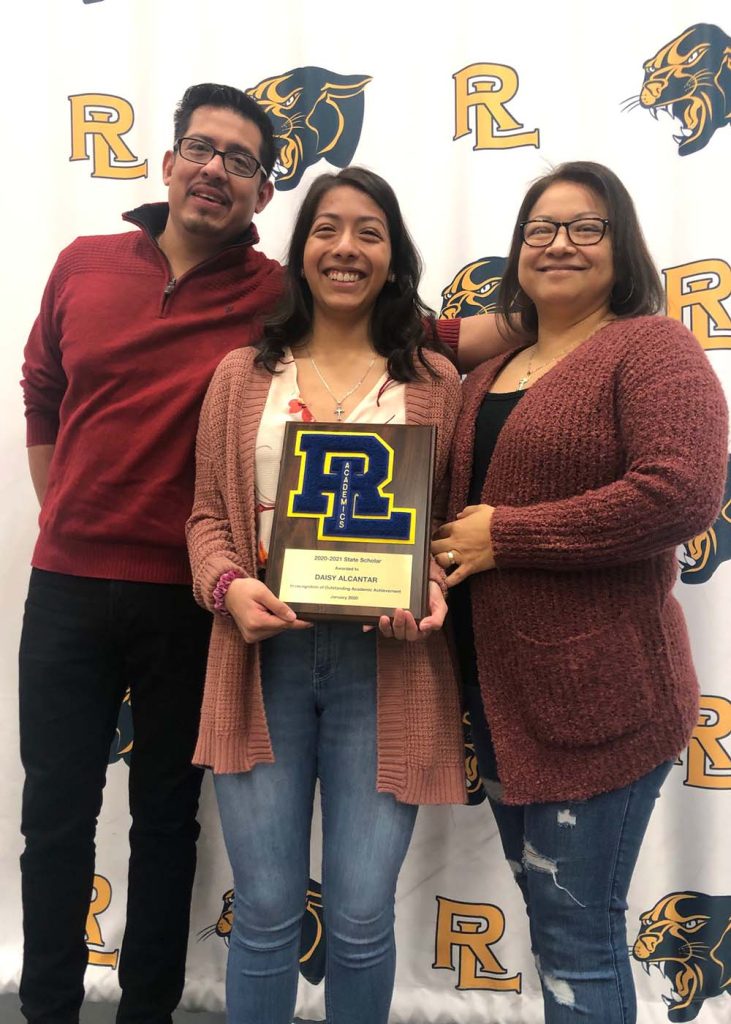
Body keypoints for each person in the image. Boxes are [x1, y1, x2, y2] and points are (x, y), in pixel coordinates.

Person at [431, 161, 728, 1023]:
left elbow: (679, 492)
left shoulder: (650, 346)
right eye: (539, 229)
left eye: (584, 227)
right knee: (551, 924)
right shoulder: (491, 373)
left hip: (601, 698)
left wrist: (508, 534)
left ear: (621, 244)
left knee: (577, 936)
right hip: (500, 699)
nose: (558, 243)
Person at [18, 82, 282, 1024]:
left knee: (167, 824)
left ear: (261, 193)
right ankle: (46, 1006)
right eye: (202, 149)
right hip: (66, 590)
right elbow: (41, 390)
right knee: (54, 817)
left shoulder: (277, 293)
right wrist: (66, 512)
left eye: (242, 161)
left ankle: (148, 1013)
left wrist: (560, 310)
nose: (217, 170)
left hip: (191, 598)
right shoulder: (83, 263)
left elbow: (421, 336)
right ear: (168, 162)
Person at [186, 166, 466, 1024]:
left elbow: (447, 531)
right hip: (260, 661)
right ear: (300, 250)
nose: (346, 248)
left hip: (386, 671)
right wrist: (229, 587)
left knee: (358, 917)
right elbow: (205, 519)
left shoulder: (433, 384)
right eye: (327, 229)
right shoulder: (241, 376)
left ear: (393, 257)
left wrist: (427, 581)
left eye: (369, 232)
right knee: (266, 916)